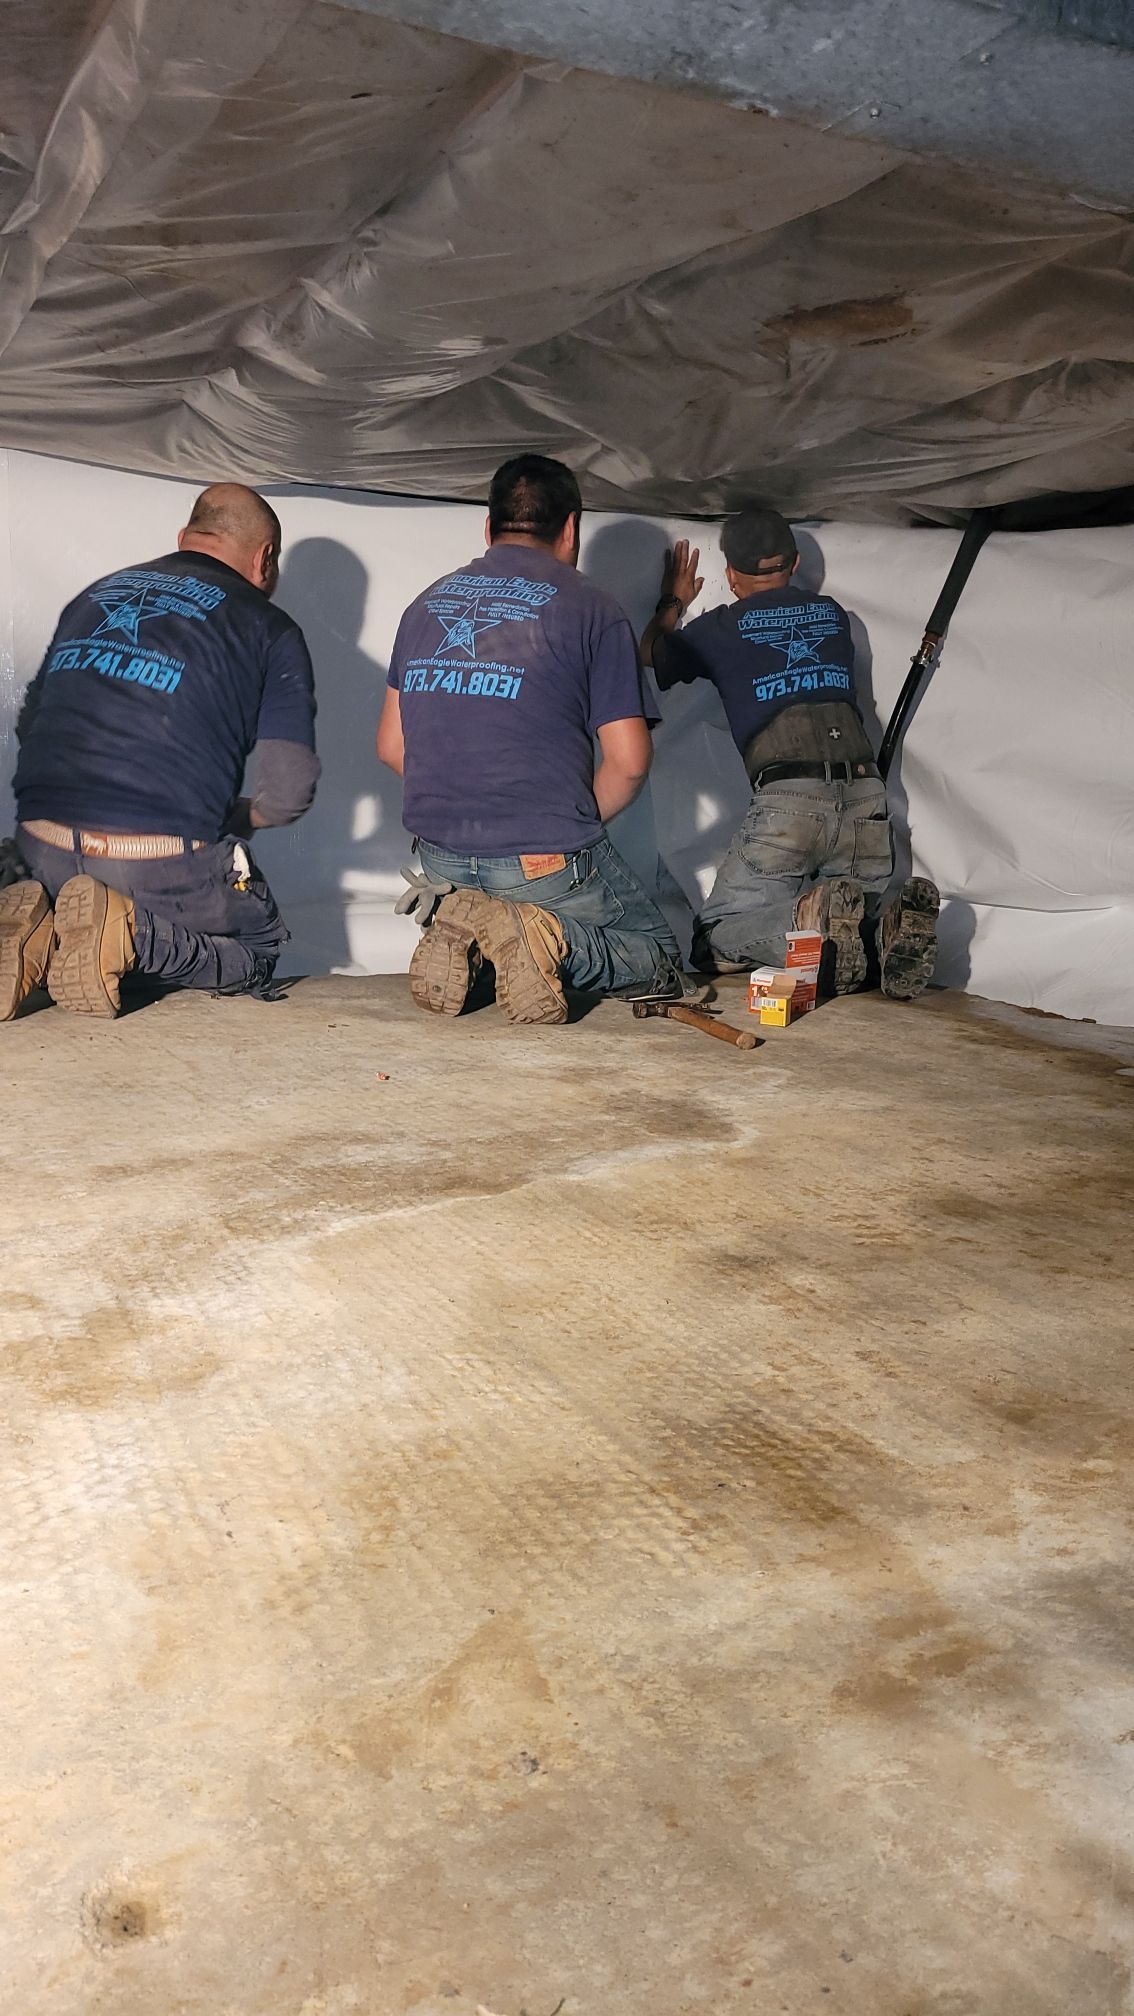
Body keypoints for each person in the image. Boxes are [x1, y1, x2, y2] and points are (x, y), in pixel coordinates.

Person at [377, 454, 681, 1024]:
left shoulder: (424, 605)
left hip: (438, 857)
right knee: (659, 957)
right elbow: (630, 761)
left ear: (488, 529)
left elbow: (392, 747)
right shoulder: (592, 608)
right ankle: (544, 935)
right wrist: (561, 823)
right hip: (540, 857)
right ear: (571, 529)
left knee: (509, 927)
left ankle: (470, 935)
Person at [0, 484, 319, 1020]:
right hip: (155, 866)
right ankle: (129, 935)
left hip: (39, 847)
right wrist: (243, 815)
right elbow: (290, 792)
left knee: (71, 903)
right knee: (257, 952)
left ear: (185, 538)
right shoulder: (270, 628)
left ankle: (40, 928)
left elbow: (31, 727)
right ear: (265, 560)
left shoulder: (94, 595)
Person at [638, 507, 939, 999]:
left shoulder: (722, 628)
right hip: (866, 795)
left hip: (789, 799)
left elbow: (651, 651)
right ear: (794, 563)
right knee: (851, 918)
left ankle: (813, 922)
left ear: (731, 574)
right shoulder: (833, 615)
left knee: (715, 938)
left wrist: (672, 601)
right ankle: (882, 933)